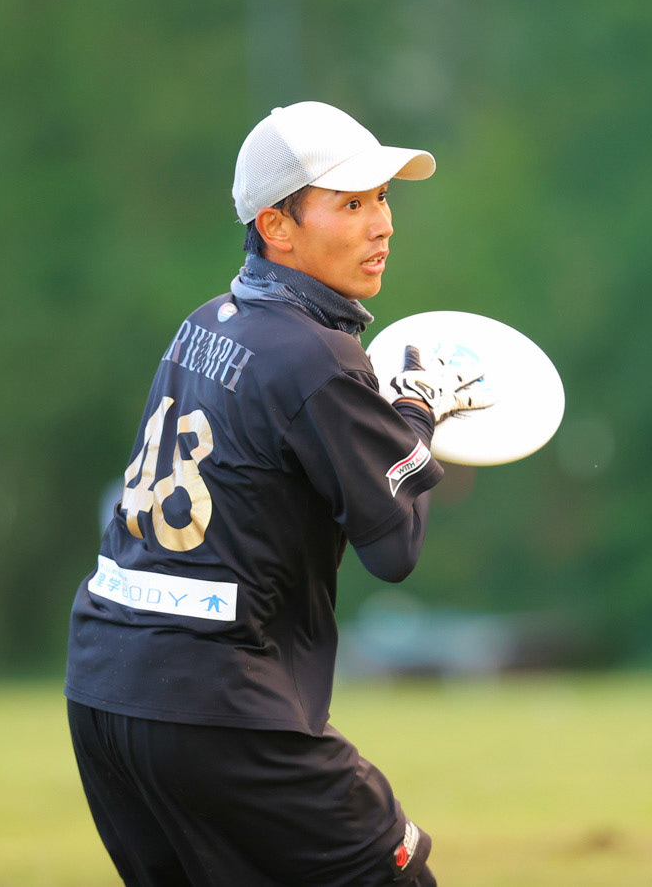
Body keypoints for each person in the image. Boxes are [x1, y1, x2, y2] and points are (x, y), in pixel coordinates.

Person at [65, 101, 488, 886]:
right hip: (212, 703)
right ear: (275, 226)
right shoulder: (315, 356)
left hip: (102, 684)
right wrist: (418, 411)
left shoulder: (204, 324)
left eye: (382, 198)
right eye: (351, 204)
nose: (382, 224)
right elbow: (395, 544)